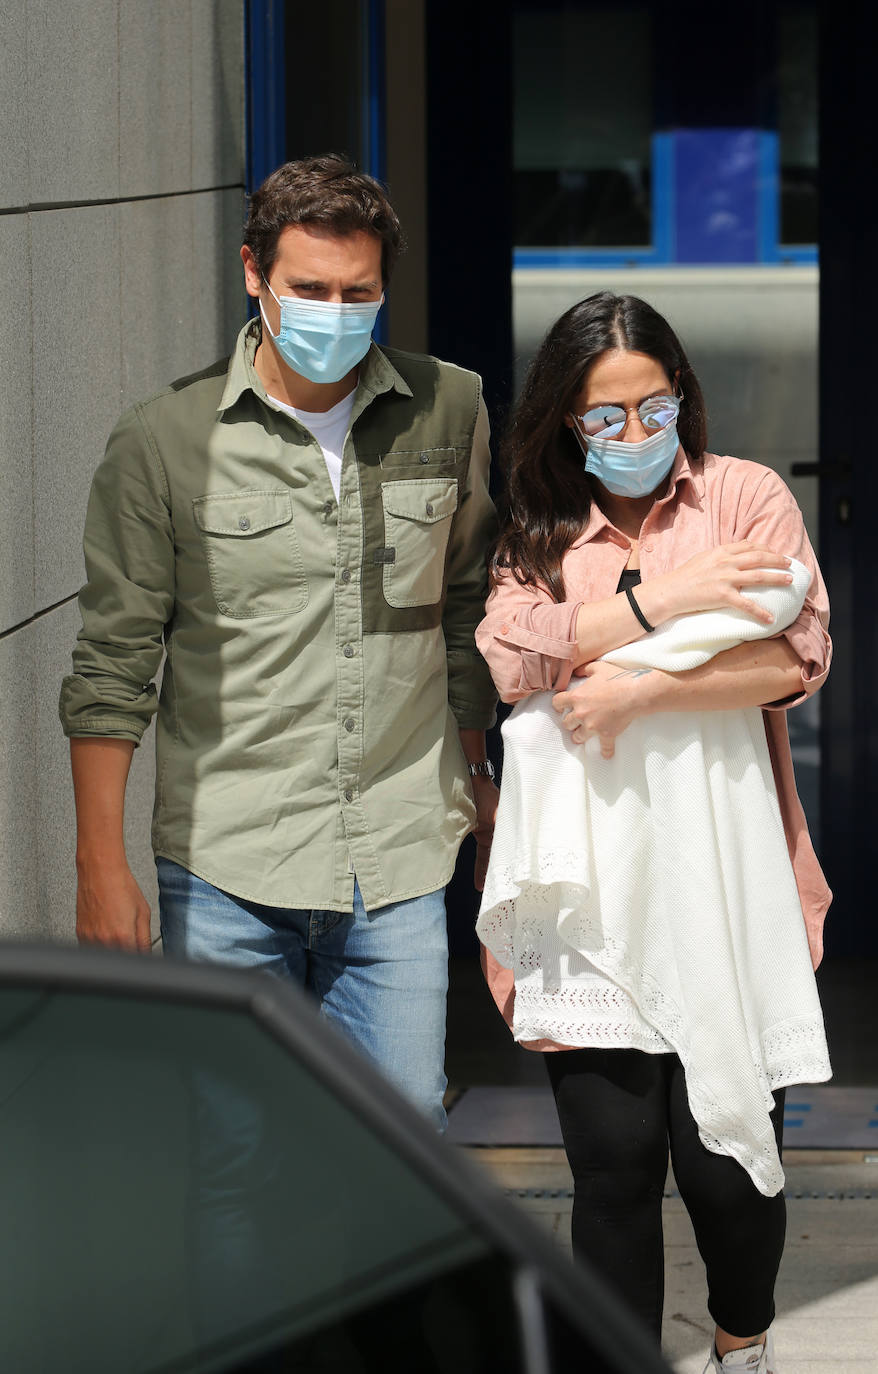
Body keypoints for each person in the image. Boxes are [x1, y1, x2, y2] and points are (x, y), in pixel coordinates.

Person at [59, 155, 499, 1130]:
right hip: (226, 872)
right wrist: (101, 861)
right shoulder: (163, 440)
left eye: (359, 293)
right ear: (254, 273)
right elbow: (113, 661)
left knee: (404, 1162)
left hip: (395, 859)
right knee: (237, 1166)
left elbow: (462, 606)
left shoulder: (450, 409)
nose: (335, 312)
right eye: (309, 288)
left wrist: (478, 771)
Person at [475, 292, 832, 1372]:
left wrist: (629, 692)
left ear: (683, 397)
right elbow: (511, 653)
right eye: (602, 418)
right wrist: (664, 605)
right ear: (564, 424)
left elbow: (792, 657)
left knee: (727, 1162)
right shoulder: (538, 531)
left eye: (652, 407)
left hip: (725, 885)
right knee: (613, 1168)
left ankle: (740, 1340)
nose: (632, 435)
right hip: (586, 898)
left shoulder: (745, 498)